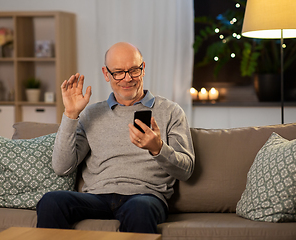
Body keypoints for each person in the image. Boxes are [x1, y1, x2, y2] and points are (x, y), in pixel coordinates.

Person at [36, 42, 195, 233]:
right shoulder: (91, 113)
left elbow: (186, 170)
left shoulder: (171, 111)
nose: (127, 79)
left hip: (144, 197)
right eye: (118, 72)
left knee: (140, 209)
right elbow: (62, 167)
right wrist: (70, 115)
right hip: (97, 197)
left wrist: (158, 148)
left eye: (134, 70)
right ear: (106, 74)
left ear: (143, 69)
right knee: (51, 201)